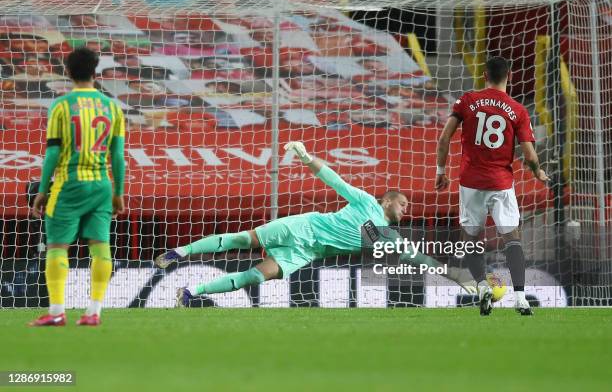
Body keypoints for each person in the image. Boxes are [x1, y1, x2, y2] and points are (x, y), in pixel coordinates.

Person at [155, 142, 475, 306]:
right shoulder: (366, 201)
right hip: (304, 227)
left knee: (254, 276)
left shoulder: (390, 238)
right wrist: (307, 158)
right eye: (403, 203)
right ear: (387, 201)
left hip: (307, 252)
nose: (407, 209)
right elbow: (335, 180)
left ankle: (190, 293)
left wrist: (457, 274)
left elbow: (422, 259)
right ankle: (180, 251)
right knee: (242, 240)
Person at [435, 56, 548, 316]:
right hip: (501, 183)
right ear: (509, 75)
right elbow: (530, 155)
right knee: (512, 238)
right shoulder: (518, 110)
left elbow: (444, 138)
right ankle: (520, 297)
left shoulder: (467, 100)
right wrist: (537, 171)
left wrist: (441, 171)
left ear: (484, 74)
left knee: (471, 240)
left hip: (471, 182)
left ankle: (483, 287)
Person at [29, 47, 126, 326]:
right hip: (101, 184)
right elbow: (118, 156)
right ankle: (93, 312)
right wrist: (118, 191)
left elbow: (52, 154)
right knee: (100, 246)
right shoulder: (112, 107)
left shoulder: (61, 105)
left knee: (57, 246)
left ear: (68, 72)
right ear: (95, 72)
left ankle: (57, 312)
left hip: (69, 183)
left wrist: (42, 190)